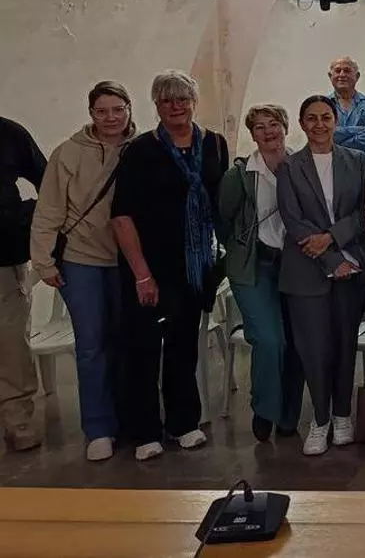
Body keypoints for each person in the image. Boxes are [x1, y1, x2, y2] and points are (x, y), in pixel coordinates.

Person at [110, 70, 229, 461]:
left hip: (193, 266)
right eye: (166, 100)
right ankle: (145, 431)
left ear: (194, 102)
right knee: (144, 349)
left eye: (182, 99)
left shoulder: (214, 144)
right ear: (156, 106)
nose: (176, 106)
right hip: (150, 265)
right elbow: (122, 216)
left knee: (183, 346)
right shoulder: (140, 150)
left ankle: (183, 423)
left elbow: (220, 202)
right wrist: (141, 274)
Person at [29, 81, 135, 460]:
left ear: (129, 109)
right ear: (91, 114)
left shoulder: (141, 149)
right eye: (102, 111)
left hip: (128, 260)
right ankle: (99, 428)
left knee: (127, 341)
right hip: (81, 258)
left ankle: (131, 420)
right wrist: (43, 260)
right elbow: (49, 209)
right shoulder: (68, 153)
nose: (111, 117)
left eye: (117, 109)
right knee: (91, 345)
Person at [276, 95, 365, 456]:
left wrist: (332, 240)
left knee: (344, 345)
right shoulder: (289, 167)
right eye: (312, 118)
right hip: (306, 270)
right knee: (314, 349)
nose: (319, 124)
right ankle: (319, 420)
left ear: (336, 121)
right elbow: (293, 219)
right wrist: (331, 260)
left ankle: (343, 415)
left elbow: (364, 212)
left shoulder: (358, 160)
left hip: (351, 264)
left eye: (326, 117)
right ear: (302, 124)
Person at [216, 104, 304, 443]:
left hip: (295, 266)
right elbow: (224, 220)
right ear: (252, 134)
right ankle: (265, 409)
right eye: (260, 127)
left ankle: (289, 414)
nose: (269, 132)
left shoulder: (301, 165)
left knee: (295, 341)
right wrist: (243, 248)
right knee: (269, 339)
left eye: (274, 124)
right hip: (253, 267)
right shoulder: (239, 176)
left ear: (286, 127)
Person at [0, 115, 46, 453]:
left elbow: (48, 182)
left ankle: (17, 420)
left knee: (10, 341)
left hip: (3, 257)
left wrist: (24, 216)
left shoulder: (8, 133)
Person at [327, 57, 365, 157]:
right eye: (337, 71)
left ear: (357, 76)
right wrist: (358, 130)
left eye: (347, 71)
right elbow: (323, 133)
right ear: (330, 76)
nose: (342, 74)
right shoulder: (322, 105)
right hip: (331, 164)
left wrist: (340, 143)